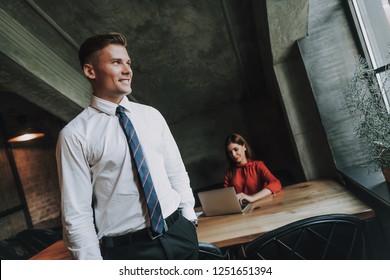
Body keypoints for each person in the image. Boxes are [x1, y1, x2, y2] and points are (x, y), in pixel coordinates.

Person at [56, 32, 198, 260]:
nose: (127, 70)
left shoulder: (152, 116)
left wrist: (189, 217)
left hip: (179, 234)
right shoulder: (74, 135)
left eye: (128, 63)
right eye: (116, 62)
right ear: (90, 71)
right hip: (129, 252)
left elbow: (176, 171)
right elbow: (76, 213)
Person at [223, 133, 282, 204]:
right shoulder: (229, 173)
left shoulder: (258, 165)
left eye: (236, 149)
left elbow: (276, 183)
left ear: (244, 147)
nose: (233, 155)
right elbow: (226, 197)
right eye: (230, 152)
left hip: (262, 206)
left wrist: (253, 197)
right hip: (242, 210)